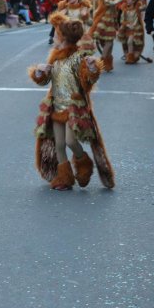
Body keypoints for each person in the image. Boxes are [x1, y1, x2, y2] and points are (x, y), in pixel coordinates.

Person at [28, 12, 114, 190]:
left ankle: (84, 163)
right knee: (59, 144)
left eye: (57, 35)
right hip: (56, 108)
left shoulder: (78, 58)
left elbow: (88, 80)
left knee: (70, 141)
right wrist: (40, 71)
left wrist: (91, 68)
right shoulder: (55, 59)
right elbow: (45, 80)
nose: (54, 39)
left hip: (74, 109)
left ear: (64, 38)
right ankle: (64, 178)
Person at [89, 0, 123, 72]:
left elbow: (115, 12)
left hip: (110, 26)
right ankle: (101, 61)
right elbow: (113, 3)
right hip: (104, 26)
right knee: (108, 44)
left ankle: (107, 63)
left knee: (110, 45)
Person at [118, 0, 144, 64]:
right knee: (126, 42)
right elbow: (122, 20)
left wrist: (144, 1)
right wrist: (127, 24)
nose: (127, 1)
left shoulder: (136, 9)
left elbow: (137, 18)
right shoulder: (125, 9)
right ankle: (129, 55)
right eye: (126, 0)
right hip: (126, 28)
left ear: (133, 0)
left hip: (135, 29)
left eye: (129, 0)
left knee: (130, 41)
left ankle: (131, 57)